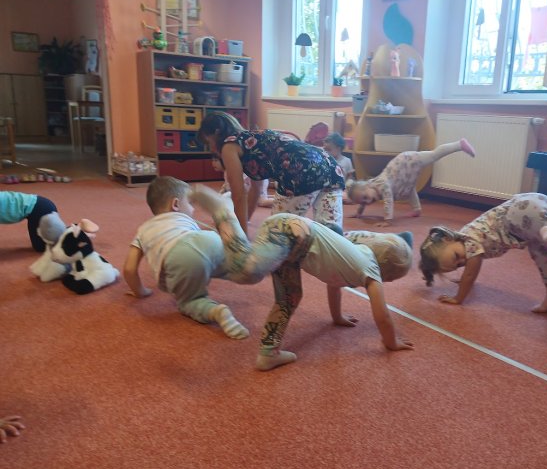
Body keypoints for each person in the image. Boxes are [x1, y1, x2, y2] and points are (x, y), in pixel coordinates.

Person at [189, 184, 415, 371]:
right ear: (387, 272)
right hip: (294, 233)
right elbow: (383, 316)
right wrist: (391, 342)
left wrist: (337, 317)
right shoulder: (371, 271)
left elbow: (334, 285)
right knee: (248, 271)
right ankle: (223, 210)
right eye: (391, 279)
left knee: (290, 296)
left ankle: (269, 353)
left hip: (295, 244)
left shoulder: (358, 258)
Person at [122, 176, 249, 339]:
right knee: (239, 264)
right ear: (175, 204)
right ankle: (258, 262)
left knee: (189, 301)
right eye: (190, 203)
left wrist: (140, 291)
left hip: (179, 258)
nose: (193, 209)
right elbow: (197, 245)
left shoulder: (143, 230)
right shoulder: (184, 221)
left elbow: (129, 269)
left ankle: (216, 311)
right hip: (208, 239)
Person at [418, 192, 547, 313]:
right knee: (542, 251)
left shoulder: (469, 241)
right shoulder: (468, 234)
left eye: (457, 256)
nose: (464, 260)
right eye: (458, 265)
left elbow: (470, 274)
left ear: (448, 239)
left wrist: (458, 298)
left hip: (518, 214)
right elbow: (467, 269)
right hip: (535, 201)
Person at [197, 111, 345, 234]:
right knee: (332, 235)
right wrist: (244, 223)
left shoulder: (229, 146)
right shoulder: (252, 139)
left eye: (208, 142)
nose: (211, 148)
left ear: (216, 132)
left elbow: (238, 195)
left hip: (300, 171)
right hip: (329, 165)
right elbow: (256, 190)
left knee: (276, 236)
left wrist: (239, 238)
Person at [345, 139, 476, 227]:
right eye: (364, 202)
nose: (367, 202)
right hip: (403, 176)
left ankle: (459, 144)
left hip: (408, 160)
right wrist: (359, 213)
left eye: (365, 198)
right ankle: (417, 210)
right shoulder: (367, 189)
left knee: (433, 155)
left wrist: (387, 220)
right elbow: (361, 199)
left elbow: (388, 201)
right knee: (410, 188)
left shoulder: (382, 185)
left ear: (367, 185)